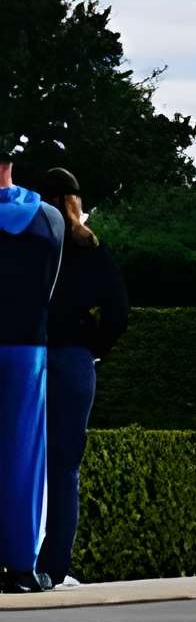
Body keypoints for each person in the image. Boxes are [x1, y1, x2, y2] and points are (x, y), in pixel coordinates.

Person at [36, 169, 124, 592]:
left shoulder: (25, 243)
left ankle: (18, 561)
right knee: (64, 467)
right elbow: (118, 311)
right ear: (74, 200)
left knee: (19, 460)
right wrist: (95, 346)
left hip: (23, 355)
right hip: (72, 359)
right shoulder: (92, 249)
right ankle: (53, 568)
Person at [0, 145, 64, 596]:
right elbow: (51, 287)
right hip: (27, 347)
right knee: (24, 456)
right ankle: (23, 565)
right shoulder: (48, 219)